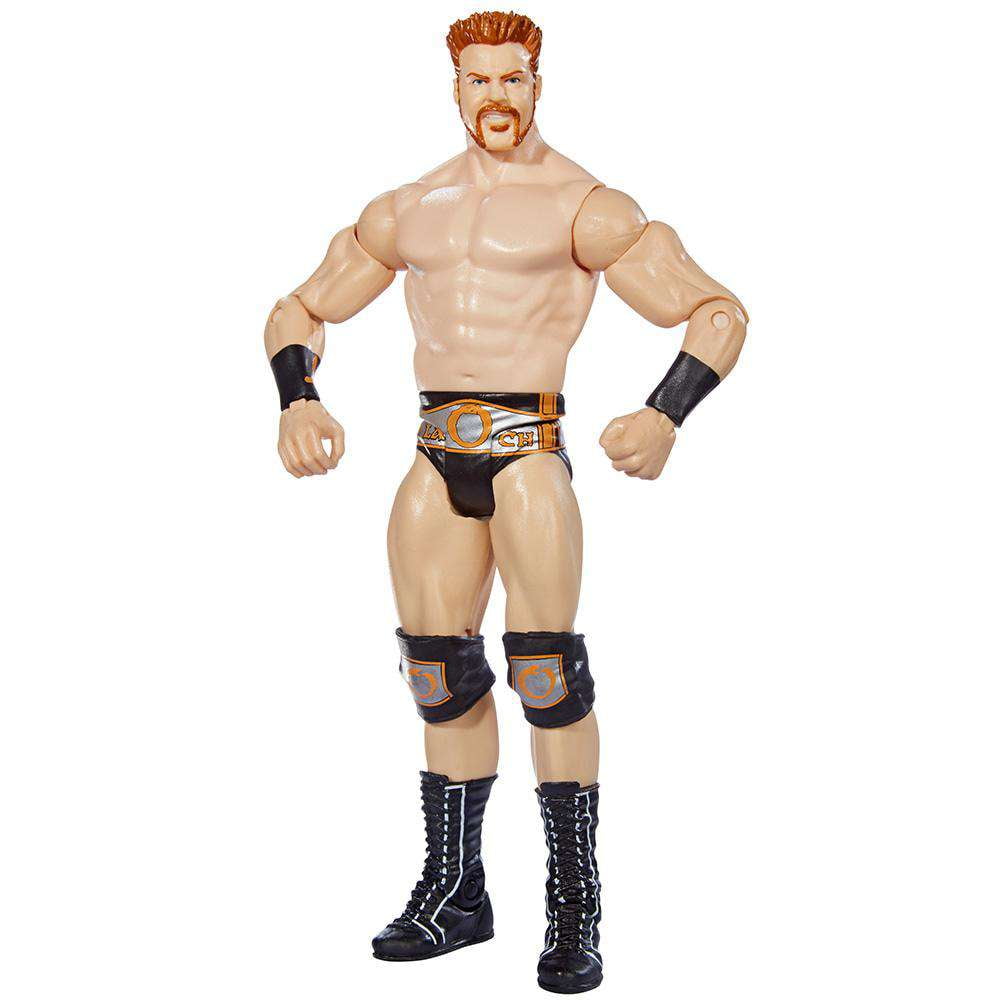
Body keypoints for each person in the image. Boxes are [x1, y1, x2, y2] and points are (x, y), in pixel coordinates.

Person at [263, 11, 747, 993]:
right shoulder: (409, 209)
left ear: (537, 84)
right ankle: (456, 894)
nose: (496, 96)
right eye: (479, 79)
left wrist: (664, 414)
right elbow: (298, 308)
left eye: (512, 79)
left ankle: (574, 906)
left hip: (528, 451)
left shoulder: (584, 208)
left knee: (546, 675)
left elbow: (716, 309)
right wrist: (297, 398)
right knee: (436, 676)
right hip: (432, 453)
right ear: (454, 88)